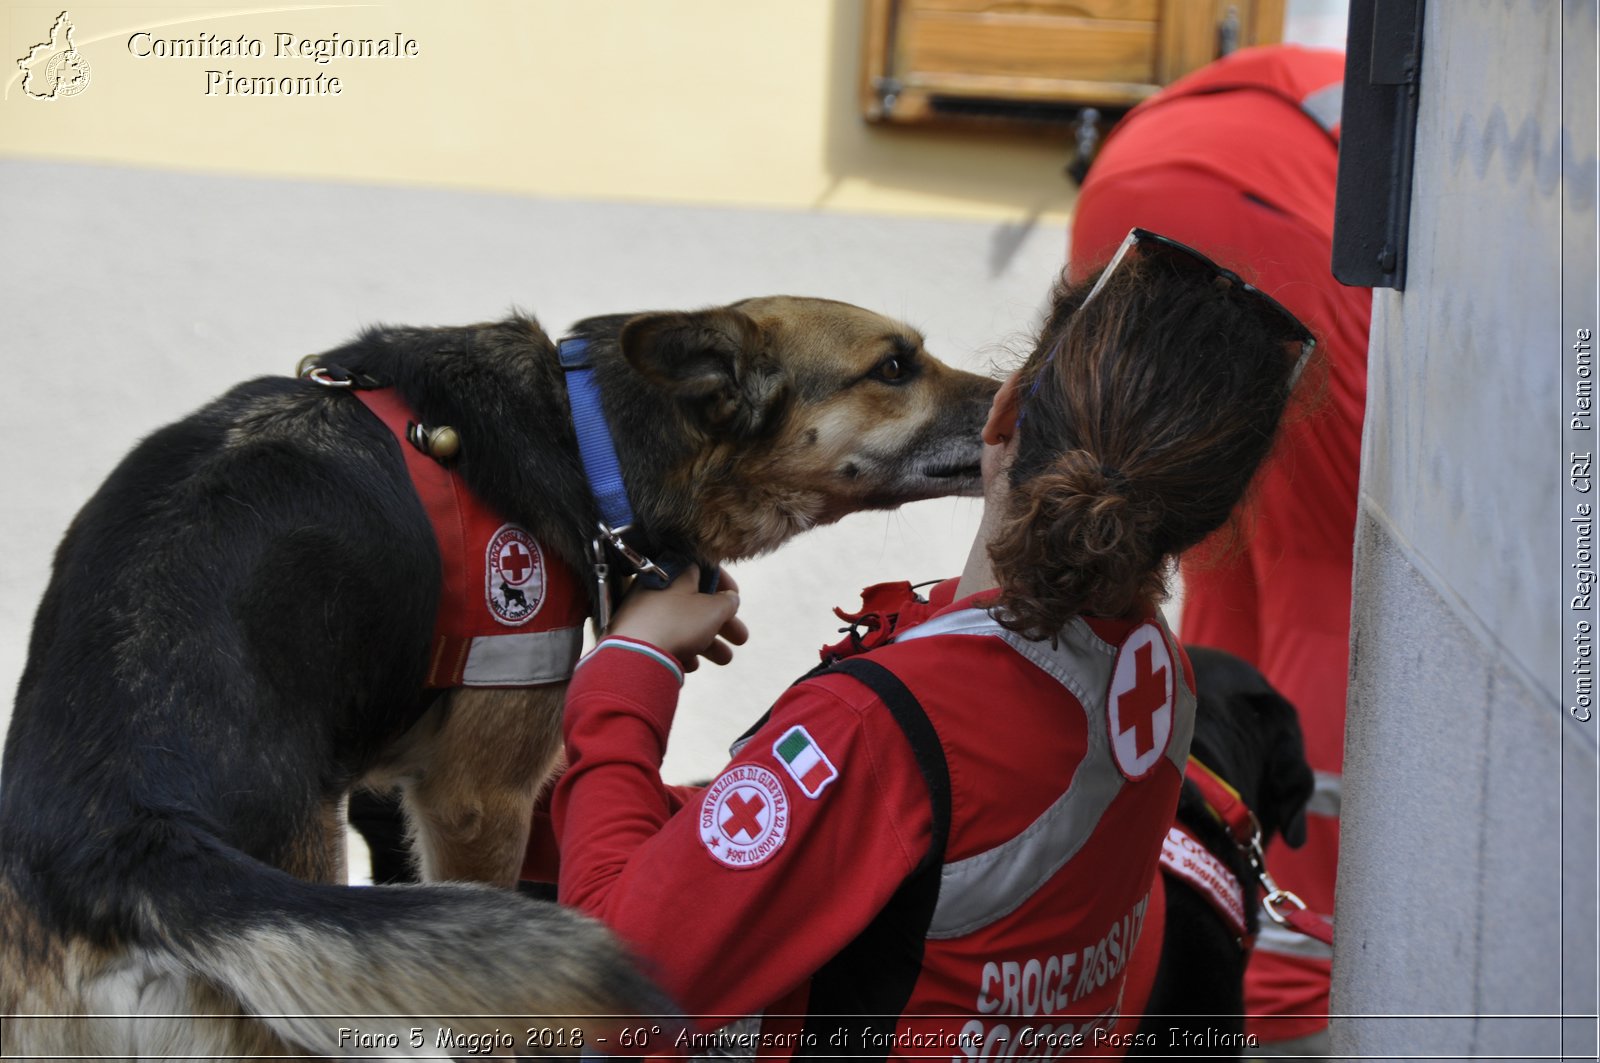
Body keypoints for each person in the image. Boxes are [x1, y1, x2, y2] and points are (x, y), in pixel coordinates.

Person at [529, 230, 1315, 1057]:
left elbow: (616, 990)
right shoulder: (1151, 669)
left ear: (1003, 413)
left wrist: (629, 670)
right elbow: (836, 844)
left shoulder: (884, 724)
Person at [1068, 45, 1370, 1055]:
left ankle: (1180, 885)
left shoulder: (1297, 62)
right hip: (1276, 219)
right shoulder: (1496, 113)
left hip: (1120, 200)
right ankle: (1293, 960)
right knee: (1329, 575)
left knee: (1221, 559)